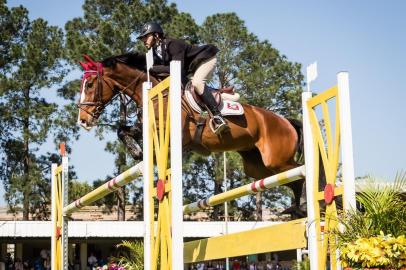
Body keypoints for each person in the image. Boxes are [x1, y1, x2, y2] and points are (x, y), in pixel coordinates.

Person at [138, 21, 230, 134]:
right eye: (142, 38)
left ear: (156, 35)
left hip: (205, 59)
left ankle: (218, 117)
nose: (143, 40)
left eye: (146, 36)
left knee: (197, 83)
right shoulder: (154, 52)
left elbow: (177, 70)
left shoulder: (173, 44)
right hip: (190, 68)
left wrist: (152, 68)